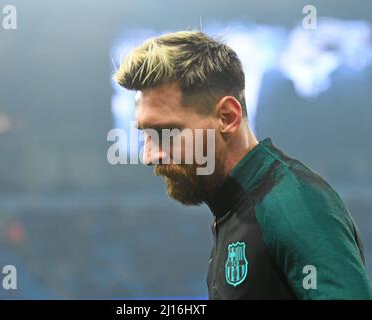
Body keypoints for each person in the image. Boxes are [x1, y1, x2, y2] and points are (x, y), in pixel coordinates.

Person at [112, 30, 372, 299]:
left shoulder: (293, 202)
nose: (149, 155)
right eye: (145, 134)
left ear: (227, 117)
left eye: (167, 133)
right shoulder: (235, 206)